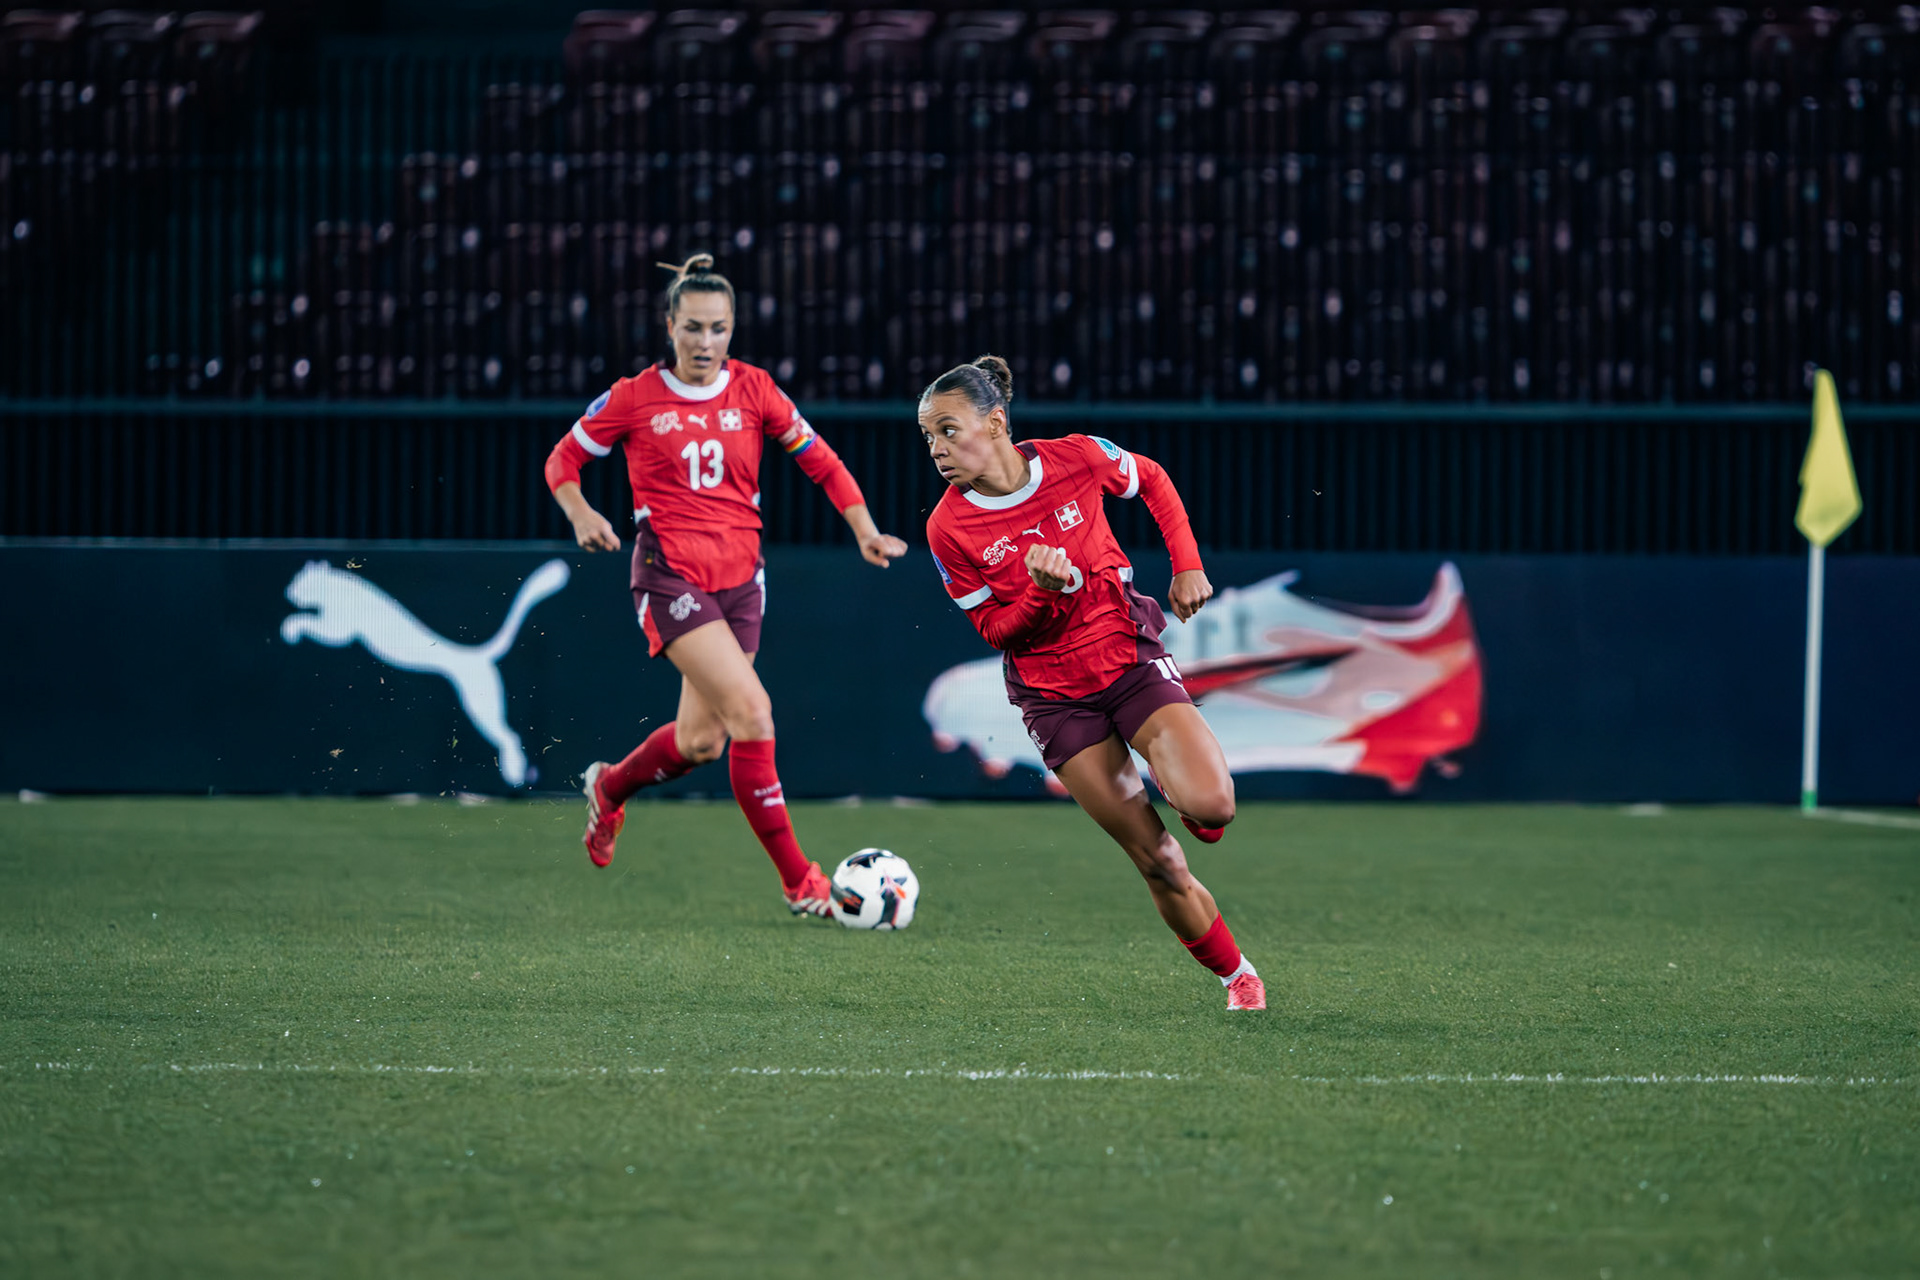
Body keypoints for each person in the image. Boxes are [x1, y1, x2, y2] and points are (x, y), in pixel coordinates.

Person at [544, 253, 907, 916]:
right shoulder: (634, 397)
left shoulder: (755, 390)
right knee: (753, 714)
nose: (704, 342)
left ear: (733, 328)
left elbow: (822, 462)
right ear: (668, 326)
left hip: (742, 581)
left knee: (702, 742)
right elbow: (563, 459)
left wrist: (865, 529)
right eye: (691, 328)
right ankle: (802, 884)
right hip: (669, 574)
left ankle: (609, 789)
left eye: (717, 329)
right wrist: (580, 511)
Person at [918, 356, 1264, 1010]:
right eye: (928, 436)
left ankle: (1192, 802)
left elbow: (1153, 480)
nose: (936, 449)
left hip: (1127, 658)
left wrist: (1186, 566)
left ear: (995, 423)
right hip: (1054, 699)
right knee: (1159, 862)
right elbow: (995, 631)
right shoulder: (947, 528)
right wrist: (1044, 597)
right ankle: (1237, 977)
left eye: (947, 430)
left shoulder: (1076, 458)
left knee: (1214, 806)